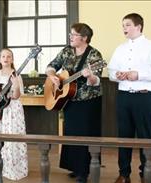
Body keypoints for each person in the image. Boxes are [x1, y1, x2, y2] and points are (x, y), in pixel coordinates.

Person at [108, 13, 151, 183]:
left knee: (145, 136)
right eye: (123, 25)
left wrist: (139, 75)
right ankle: (124, 174)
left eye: (127, 25)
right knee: (123, 137)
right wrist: (117, 75)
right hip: (123, 97)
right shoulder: (120, 48)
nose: (124, 29)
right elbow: (111, 72)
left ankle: (146, 173)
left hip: (145, 97)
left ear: (138, 27)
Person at [46, 23, 104, 183]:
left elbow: (96, 81)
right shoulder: (66, 51)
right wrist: (53, 76)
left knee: (86, 135)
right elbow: (51, 66)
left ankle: (84, 171)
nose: (70, 37)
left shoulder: (94, 55)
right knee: (71, 133)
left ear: (84, 38)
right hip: (70, 100)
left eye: (74, 34)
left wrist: (89, 76)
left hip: (88, 101)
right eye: (70, 34)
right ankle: (75, 167)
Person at [0, 48, 28, 180]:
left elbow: (16, 96)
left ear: (12, 60)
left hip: (12, 111)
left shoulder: (16, 76)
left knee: (12, 136)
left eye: (9, 56)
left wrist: (15, 85)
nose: (6, 58)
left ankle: (13, 167)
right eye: (3, 56)